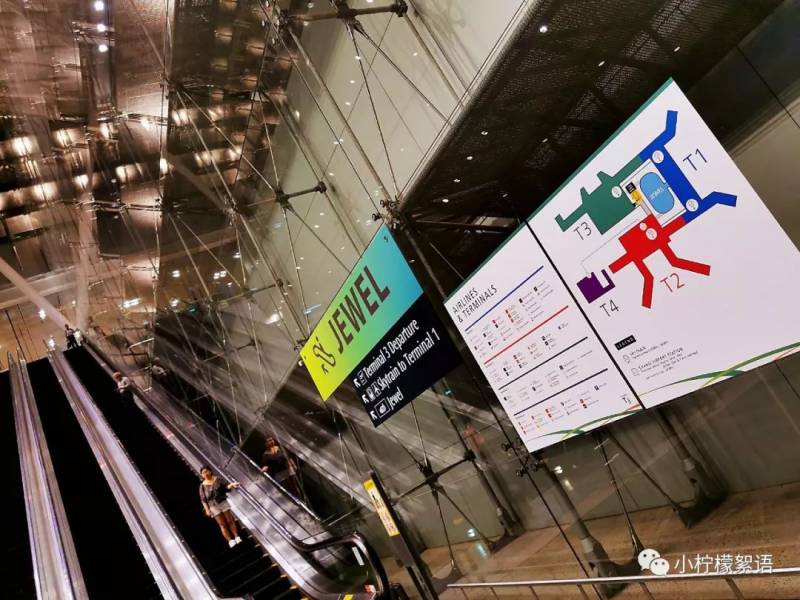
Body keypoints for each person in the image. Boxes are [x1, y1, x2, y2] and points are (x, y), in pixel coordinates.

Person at [198, 466, 242, 547]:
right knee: (222, 524)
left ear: (210, 471)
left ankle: (236, 536)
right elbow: (203, 500)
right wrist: (207, 510)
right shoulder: (202, 486)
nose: (205, 473)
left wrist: (232, 484)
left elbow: (226, 487)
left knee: (230, 520)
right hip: (213, 506)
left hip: (223, 502)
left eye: (206, 471)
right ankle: (230, 540)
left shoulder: (218, 479)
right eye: (203, 473)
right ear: (201, 475)